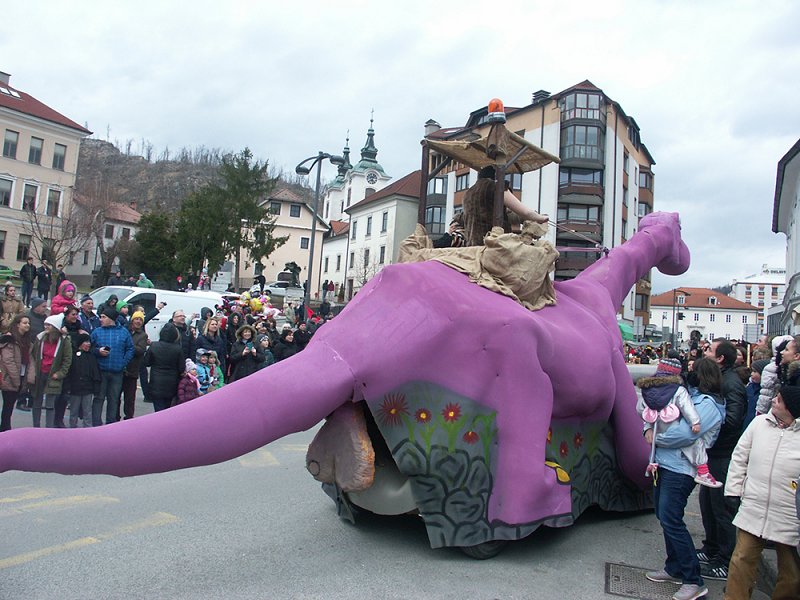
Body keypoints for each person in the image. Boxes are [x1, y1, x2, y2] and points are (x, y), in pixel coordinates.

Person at [644, 357, 724, 600]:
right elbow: (651, 416)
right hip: (663, 464)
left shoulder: (709, 404)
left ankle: (693, 579)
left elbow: (683, 435)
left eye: (692, 371)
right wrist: (647, 429)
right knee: (663, 514)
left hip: (681, 468)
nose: (687, 374)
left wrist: (653, 435)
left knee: (671, 518)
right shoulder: (685, 395)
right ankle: (674, 566)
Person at [722, 382, 800, 600]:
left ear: (792, 408)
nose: (774, 400)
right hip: (753, 506)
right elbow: (739, 457)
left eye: (780, 399)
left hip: (789, 514)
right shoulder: (759, 423)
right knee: (741, 560)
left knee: (791, 572)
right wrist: (733, 492)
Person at [698, 339, 748, 581]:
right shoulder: (720, 380)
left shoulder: (731, 383)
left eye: (709, 350)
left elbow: (733, 420)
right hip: (713, 453)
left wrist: (708, 428)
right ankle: (711, 549)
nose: (704, 351)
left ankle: (725, 561)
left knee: (722, 508)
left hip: (722, 455)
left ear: (720, 359)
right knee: (707, 505)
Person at [639, 356, 723, 488]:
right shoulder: (679, 391)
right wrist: (695, 422)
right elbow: (686, 422)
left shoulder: (650, 390)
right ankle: (703, 471)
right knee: (697, 444)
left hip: (671, 462)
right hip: (672, 461)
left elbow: (641, 408)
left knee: (666, 506)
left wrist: (650, 430)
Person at [462, 165, 549, 247]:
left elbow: (501, 214)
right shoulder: (495, 186)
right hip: (495, 245)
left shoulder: (468, 193)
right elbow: (525, 212)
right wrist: (541, 218)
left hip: (473, 246)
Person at [90, 308, 134, 426]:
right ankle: (96, 423)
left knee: (113, 399)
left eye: (103, 317)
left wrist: (123, 362)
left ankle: (111, 424)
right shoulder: (96, 332)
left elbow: (130, 348)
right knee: (99, 398)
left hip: (117, 372)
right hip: (101, 371)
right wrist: (98, 351)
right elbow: (89, 347)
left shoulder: (124, 332)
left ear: (111, 319)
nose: (101, 320)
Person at [30, 314, 72, 428]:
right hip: (40, 373)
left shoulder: (64, 341)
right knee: (37, 402)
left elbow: (67, 359)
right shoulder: (40, 338)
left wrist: (60, 373)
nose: (45, 327)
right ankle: (36, 427)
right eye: (45, 324)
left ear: (55, 326)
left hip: (53, 375)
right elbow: (33, 355)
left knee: (50, 404)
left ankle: (49, 428)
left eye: (48, 325)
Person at [0, 314, 34, 432]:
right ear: (17, 324)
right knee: (7, 406)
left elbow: (29, 359)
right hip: (10, 377)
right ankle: (5, 429)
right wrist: (16, 379)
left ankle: (5, 428)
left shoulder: (27, 341)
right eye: (25, 323)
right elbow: (8, 360)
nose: (27, 325)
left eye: (28, 323)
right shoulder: (9, 339)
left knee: (10, 405)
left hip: (21, 375)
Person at [144, 323, 184, 412]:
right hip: (172, 382)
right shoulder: (178, 348)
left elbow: (146, 362)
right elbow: (181, 368)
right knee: (168, 408)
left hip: (156, 381)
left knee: (158, 408)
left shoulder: (154, 346)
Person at [65, 333, 100, 428]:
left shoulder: (91, 357)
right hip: (75, 388)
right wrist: (68, 386)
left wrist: (96, 387)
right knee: (74, 410)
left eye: (89, 342)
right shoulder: (73, 355)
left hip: (88, 388)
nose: (88, 344)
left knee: (87, 410)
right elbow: (69, 372)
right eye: (86, 342)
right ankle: (73, 427)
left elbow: (95, 373)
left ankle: (87, 428)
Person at [756, 335, 794, 416]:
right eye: (784, 349)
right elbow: (766, 393)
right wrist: (761, 412)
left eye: (787, 350)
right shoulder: (772, 368)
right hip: (774, 411)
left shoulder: (790, 369)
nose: (782, 352)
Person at [121, 311, 148, 420]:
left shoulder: (143, 335)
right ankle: (114, 417)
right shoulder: (124, 331)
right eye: (137, 319)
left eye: (141, 320)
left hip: (132, 369)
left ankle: (129, 417)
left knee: (130, 397)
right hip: (120, 368)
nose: (138, 321)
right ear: (132, 320)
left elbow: (140, 350)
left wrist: (128, 345)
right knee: (116, 396)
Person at [743, 359, 768, 429]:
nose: (751, 374)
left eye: (755, 371)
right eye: (752, 371)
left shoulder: (766, 392)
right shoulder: (749, 387)